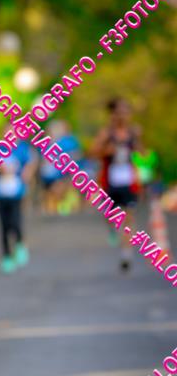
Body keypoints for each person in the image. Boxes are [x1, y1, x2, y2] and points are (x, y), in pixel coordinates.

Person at [93, 98, 142, 271]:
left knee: (129, 218)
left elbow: (142, 153)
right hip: (110, 181)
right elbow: (93, 152)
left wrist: (138, 143)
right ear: (113, 115)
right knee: (109, 215)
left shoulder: (132, 133)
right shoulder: (107, 133)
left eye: (125, 112)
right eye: (119, 112)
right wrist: (106, 151)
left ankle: (126, 254)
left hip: (128, 181)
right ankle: (113, 229)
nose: (122, 116)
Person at [0, 132, 34, 274]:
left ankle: (20, 244)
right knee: (4, 225)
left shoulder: (22, 148)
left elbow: (30, 163)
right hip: (0, 192)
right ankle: (7, 256)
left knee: (15, 221)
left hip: (16, 192)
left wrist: (26, 174)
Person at [38, 120, 82, 215]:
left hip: (64, 175)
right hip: (48, 176)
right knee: (50, 196)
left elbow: (75, 157)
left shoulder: (68, 142)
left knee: (62, 193)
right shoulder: (46, 143)